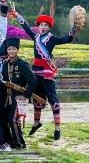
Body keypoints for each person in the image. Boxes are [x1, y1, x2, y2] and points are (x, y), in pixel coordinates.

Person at [13, 8, 77, 141]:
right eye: (41, 25)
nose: (43, 27)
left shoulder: (52, 39)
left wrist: (72, 31)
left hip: (47, 73)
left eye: (45, 25)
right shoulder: (36, 37)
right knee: (37, 98)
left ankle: (57, 127)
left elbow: (66, 39)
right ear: (39, 26)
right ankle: (36, 123)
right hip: (35, 73)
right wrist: (18, 16)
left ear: (49, 28)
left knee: (53, 99)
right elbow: (26, 28)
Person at [0, 37, 36, 149]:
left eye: (13, 49)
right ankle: (9, 141)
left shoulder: (22, 64)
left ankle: (20, 143)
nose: (11, 51)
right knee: (1, 119)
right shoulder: (5, 65)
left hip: (17, 98)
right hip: (6, 98)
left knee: (13, 120)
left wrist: (25, 96)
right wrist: (0, 100)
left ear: (17, 50)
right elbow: (3, 83)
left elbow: (32, 80)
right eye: (9, 49)